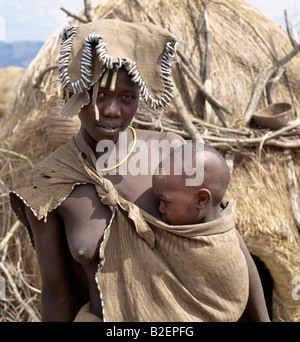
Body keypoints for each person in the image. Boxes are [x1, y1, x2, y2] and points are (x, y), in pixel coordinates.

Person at [10, 18, 267, 322]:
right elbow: (57, 293)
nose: (112, 110)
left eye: (127, 97)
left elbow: (225, 240)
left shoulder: (171, 152)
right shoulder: (47, 185)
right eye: (99, 95)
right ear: (77, 94)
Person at [152, 142, 270, 321]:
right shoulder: (188, 223)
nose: (158, 208)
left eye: (165, 201)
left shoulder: (223, 247)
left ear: (201, 200)